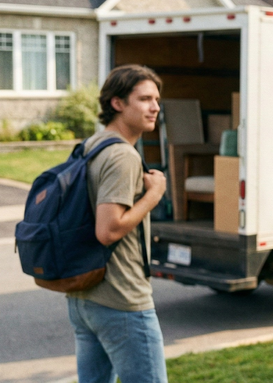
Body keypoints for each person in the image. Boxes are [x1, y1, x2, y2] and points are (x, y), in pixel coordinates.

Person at [66, 64, 168, 383]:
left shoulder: (92, 144)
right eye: (145, 99)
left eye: (156, 99)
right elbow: (108, 230)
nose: (155, 107)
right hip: (121, 300)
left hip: (85, 297)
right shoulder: (122, 156)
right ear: (118, 103)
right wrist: (154, 196)